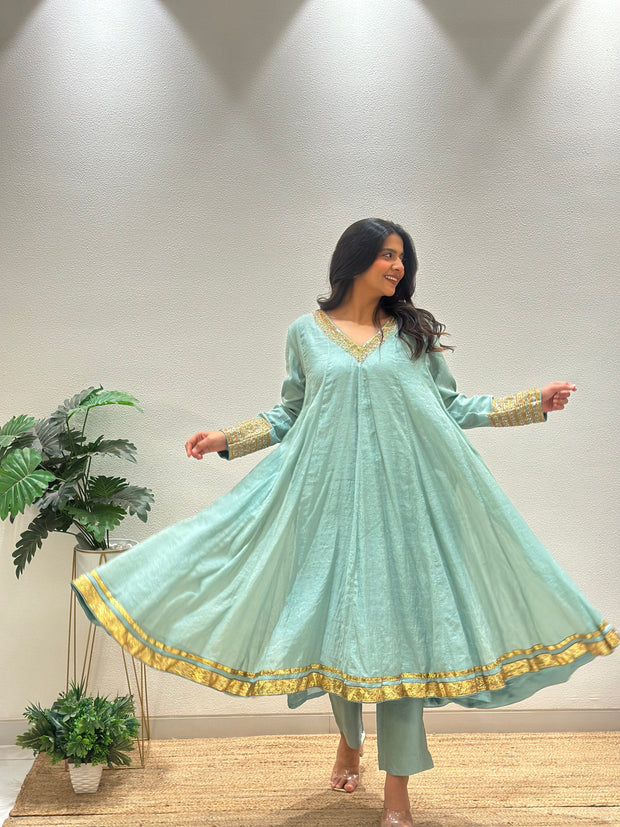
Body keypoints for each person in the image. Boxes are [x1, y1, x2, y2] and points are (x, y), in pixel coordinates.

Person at [73, 218, 618, 827]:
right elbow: (291, 412)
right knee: (336, 632)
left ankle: (397, 795)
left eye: (402, 257)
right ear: (354, 260)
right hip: (326, 507)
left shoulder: (411, 334)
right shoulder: (305, 333)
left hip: (406, 511)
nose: (398, 266)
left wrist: (529, 404)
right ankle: (349, 740)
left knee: (402, 644)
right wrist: (228, 439)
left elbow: (450, 405)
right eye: (387, 254)